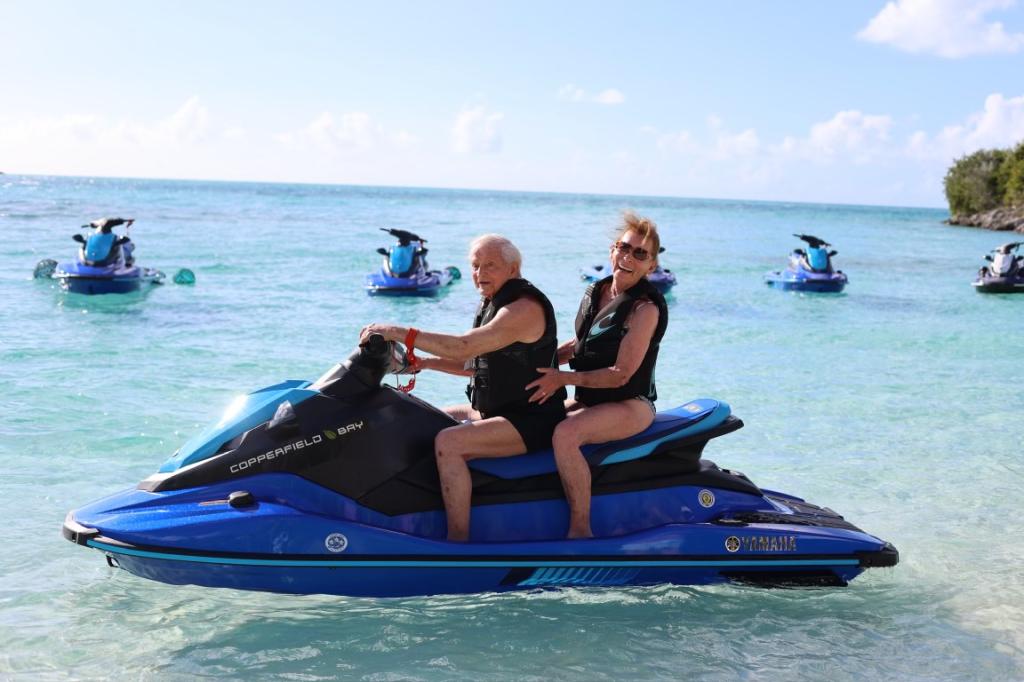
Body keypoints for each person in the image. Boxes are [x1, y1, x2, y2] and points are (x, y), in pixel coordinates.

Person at [360, 234, 565, 541]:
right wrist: (425, 363)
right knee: (421, 416)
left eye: (490, 265)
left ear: (513, 268)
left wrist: (397, 331)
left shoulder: (522, 309)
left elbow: (463, 346)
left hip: (531, 420)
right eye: (475, 266)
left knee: (449, 443)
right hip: (497, 411)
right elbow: (472, 362)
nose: (480, 274)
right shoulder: (493, 303)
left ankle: (458, 538)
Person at [526, 212, 668, 538]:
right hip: (592, 399)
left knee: (565, 435)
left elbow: (620, 375)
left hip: (631, 404)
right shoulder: (597, 291)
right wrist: (534, 363)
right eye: (623, 248)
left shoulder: (644, 309)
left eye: (640, 254)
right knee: (534, 416)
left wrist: (562, 379)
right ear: (612, 250)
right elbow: (580, 344)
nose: (628, 257)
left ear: (651, 266)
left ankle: (580, 529)